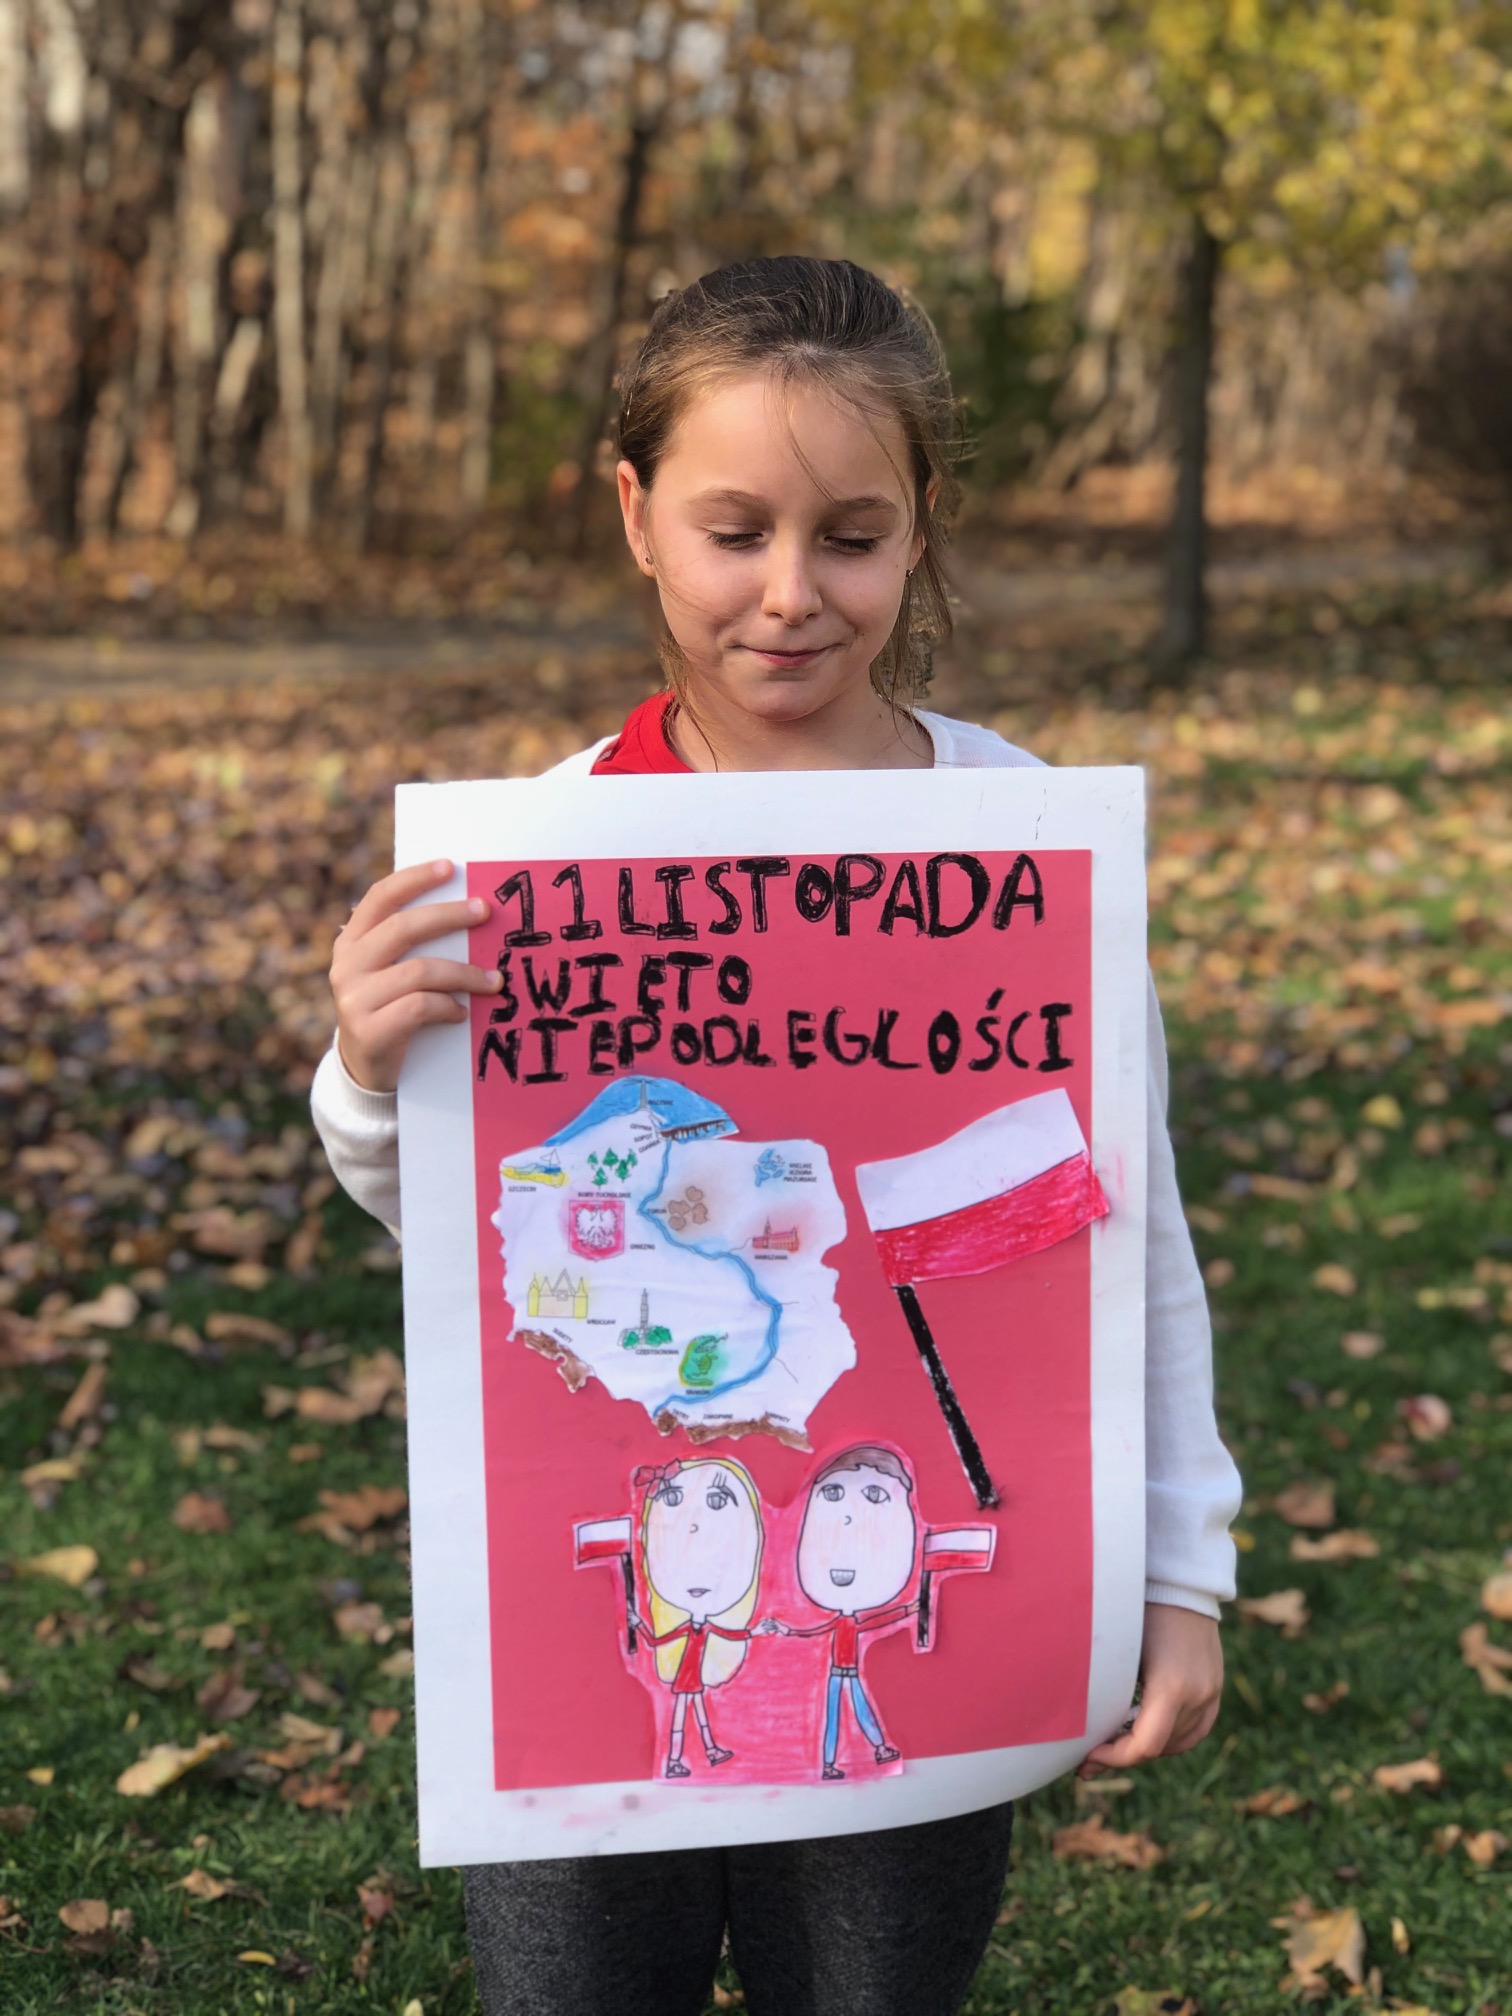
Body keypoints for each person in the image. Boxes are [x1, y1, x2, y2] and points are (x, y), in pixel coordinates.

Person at [312, 254, 1242, 2016]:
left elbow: (1134, 1232)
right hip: (589, 1635)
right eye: (734, 531)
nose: (792, 594)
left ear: (922, 526)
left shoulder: (1016, 836)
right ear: (635, 515)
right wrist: (369, 1073)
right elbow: (453, 1217)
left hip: (907, 1624)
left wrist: (1178, 1568)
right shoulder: (544, 850)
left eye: (853, 536)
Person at [762, 1445, 921, 1779]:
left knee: (856, 1711)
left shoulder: (850, 1620)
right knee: (834, 1716)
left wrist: (908, 1608)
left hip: (846, 1673)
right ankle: (832, 1762)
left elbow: (878, 1620)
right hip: (839, 1673)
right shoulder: (840, 1621)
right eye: (833, 1493)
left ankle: (875, 1749)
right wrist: (787, 1630)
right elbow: (815, 1631)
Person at [629, 1456, 764, 1778]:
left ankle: (707, 1751)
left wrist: (758, 1630)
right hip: (685, 1678)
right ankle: (676, 1760)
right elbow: (658, 1641)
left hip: (692, 1678)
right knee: (682, 1718)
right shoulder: (688, 1629)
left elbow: (732, 1634)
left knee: (698, 1714)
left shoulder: (702, 1627)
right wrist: (638, 1624)